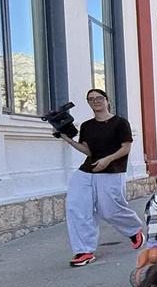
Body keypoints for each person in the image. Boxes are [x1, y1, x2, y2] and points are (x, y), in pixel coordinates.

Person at [58, 88, 145, 267]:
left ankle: (134, 230)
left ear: (106, 100)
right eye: (91, 99)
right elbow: (88, 151)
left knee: (109, 209)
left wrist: (108, 159)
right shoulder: (87, 126)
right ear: (89, 103)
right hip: (87, 170)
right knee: (76, 206)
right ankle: (84, 251)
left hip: (112, 170)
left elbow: (125, 147)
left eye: (99, 98)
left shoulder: (120, 123)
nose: (96, 101)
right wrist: (68, 140)